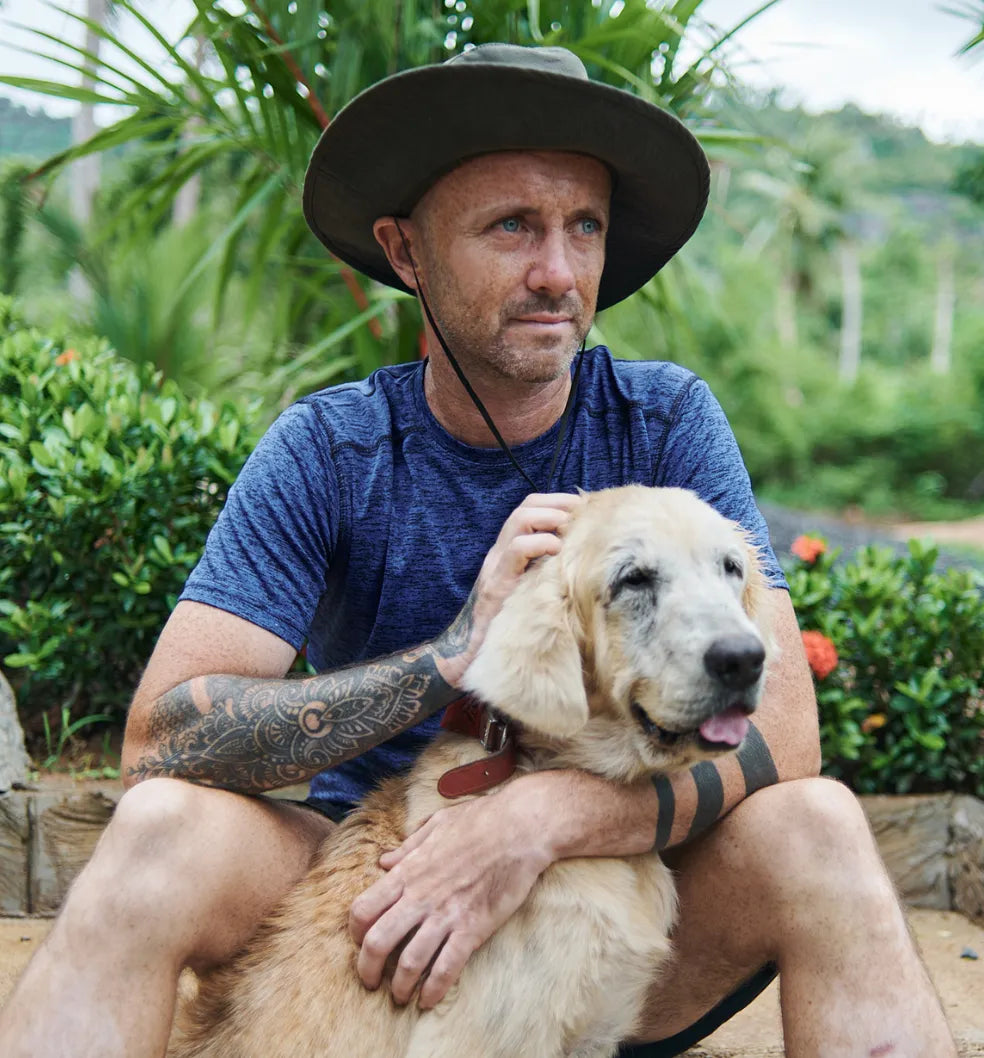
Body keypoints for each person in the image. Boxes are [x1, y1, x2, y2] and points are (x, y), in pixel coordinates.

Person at [0, 44, 955, 1058]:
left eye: (582, 226)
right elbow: (163, 739)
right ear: (406, 252)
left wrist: (536, 822)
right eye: (512, 226)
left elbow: (787, 734)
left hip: (638, 893)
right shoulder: (330, 450)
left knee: (820, 824)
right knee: (156, 834)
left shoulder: (666, 419)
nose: (558, 271)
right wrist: (452, 657)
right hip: (365, 900)